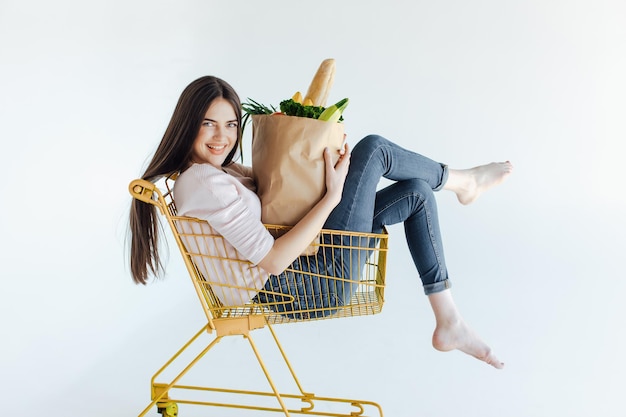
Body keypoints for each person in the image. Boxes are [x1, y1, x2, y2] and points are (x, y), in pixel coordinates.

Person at [129, 75, 513, 369]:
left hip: (308, 268)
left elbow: (277, 181)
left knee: (415, 193)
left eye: (231, 125)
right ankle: (463, 180)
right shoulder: (203, 181)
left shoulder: (220, 173)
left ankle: (449, 320)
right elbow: (274, 261)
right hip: (304, 282)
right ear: (187, 124)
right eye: (209, 124)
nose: (222, 136)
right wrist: (333, 195)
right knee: (374, 148)